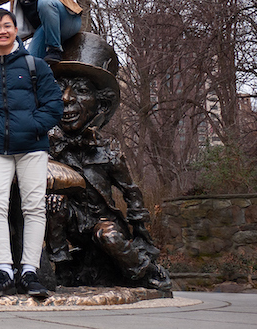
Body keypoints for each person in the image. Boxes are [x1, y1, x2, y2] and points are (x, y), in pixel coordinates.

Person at [46, 33, 171, 291]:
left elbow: (131, 193)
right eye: (60, 89)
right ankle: (63, 268)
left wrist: (142, 238)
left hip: (101, 222)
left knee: (108, 235)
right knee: (52, 202)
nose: (66, 98)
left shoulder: (107, 152)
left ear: (99, 104)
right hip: (70, 221)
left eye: (80, 90)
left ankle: (146, 272)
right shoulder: (48, 147)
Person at [0, 8, 63, 300]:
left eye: (7, 26)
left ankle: (30, 271)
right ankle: (4, 271)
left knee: (34, 207)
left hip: (32, 147)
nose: (2, 31)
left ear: (15, 30)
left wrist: (33, 126)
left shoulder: (36, 65)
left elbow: (54, 105)